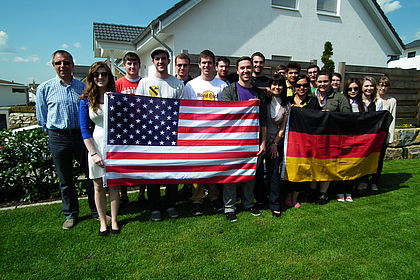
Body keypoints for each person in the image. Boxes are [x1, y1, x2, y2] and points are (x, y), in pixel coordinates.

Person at [36, 50, 97, 230]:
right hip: (58, 137)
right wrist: (55, 131)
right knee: (65, 179)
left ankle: (96, 211)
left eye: (66, 62)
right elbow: (42, 116)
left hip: (81, 136)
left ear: (73, 64)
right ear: (53, 65)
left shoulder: (83, 87)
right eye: (58, 63)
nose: (62, 66)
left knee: (91, 175)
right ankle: (71, 214)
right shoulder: (45, 88)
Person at [135, 49, 184, 221]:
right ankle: (155, 206)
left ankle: (171, 204)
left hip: (172, 134)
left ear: (168, 61)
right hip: (151, 135)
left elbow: (183, 110)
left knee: (172, 172)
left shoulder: (177, 83)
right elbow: (138, 108)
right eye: (157, 59)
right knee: (153, 172)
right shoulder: (145, 83)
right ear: (153, 61)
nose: (160, 61)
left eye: (163, 58)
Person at [220, 56, 267, 222]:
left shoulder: (258, 93)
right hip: (233, 141)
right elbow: (224, 116)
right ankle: (229, 207)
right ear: (237, 70)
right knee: (231, 175)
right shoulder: (228, 91)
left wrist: (263, 141)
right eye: (243, 68)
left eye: (249, 67)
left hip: (253, 141)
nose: (246, 71)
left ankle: (248, 203)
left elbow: (264, 120)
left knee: (250, 175)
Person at [184, 50, 227, 215]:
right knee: (198, 169)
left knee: (214, 167)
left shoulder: (222, 85)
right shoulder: (191, 85)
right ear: (199, 65)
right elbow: (186, 110)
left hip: (216, 134)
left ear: (214, 65)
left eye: (210, 63)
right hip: (197, 134)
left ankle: (214, 198)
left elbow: (226, 111)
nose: (207, 65)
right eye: (204, 62)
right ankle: (197, 200)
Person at [79, 62, 120, 236]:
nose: (100, 77)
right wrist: (93, 153)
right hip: (95, 143)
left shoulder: (116, 97)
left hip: (115, 145)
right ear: (92, 78)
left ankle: (115, 220)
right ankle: (103, 221)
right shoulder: (85, 100)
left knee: (114, 185)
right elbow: (84, 129)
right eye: (97, 75)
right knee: (98, 186)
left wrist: (116, 102)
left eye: (104, 74)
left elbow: (126, 121)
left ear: (109, 77)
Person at [311, 70, 351, 205]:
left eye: (325, 81)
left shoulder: (339, 98)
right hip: (313, 138)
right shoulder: (310, 96)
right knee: (313, 165)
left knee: (327, 166)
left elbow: (347, 116)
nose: (322, 84)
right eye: (320, 81)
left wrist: (332, 116)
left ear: (330, 82)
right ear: (316, 82)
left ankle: (323, 193)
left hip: (331, 138)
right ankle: (311, 191)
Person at [115, 52, 145, 207]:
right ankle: (123, 194)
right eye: (129, 64)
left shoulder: (145, 83)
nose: (132, 67)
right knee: (124, 162)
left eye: (135, 63)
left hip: (142, 129)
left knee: (142, 162)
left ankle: (141, 192)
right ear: (124, 65)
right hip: (124, 129)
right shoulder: (118, 84)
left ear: (139, 65)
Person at [265, 75, 289, 217]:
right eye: (274, 84)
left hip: (276, 142)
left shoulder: (286, 105)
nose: (277, 87)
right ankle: (261, 199)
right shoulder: (264, 100)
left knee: (274, 173)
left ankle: (275, 204)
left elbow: (283, 127)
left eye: (280, 85)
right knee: (260, 172)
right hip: (261, 140)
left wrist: (275, 144)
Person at [370, 76, 396, 191]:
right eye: (381, 85)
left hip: (382, 134)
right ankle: (364, 180)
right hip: (370, 134)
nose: (383, 88)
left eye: (386, 85)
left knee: (379, 159)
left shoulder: (392, 101)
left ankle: (374, 181)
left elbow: (392, 119)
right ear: (377, 86)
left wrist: (389, 138)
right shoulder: (371, 98)